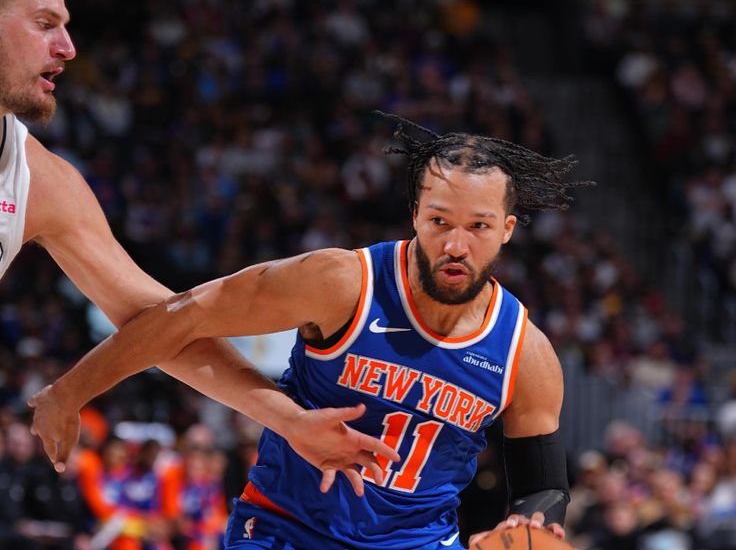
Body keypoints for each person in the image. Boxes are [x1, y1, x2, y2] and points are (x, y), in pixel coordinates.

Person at [32, 113, 585, 549]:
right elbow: (184, 314)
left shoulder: (524, 352)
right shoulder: (342, 283)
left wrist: (528, 528)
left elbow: (543, 485)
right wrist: (72, 390)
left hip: (419, 543)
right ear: (415, 214)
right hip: (286, 530)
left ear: (507, 230)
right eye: (440, 221)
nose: (455, 245)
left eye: (479, 227)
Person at [0, 0, 399, 492]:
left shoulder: (43, 182)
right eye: (45, 24)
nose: (67, 49)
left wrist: (289, 422)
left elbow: (163, 325)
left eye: (66, 28)